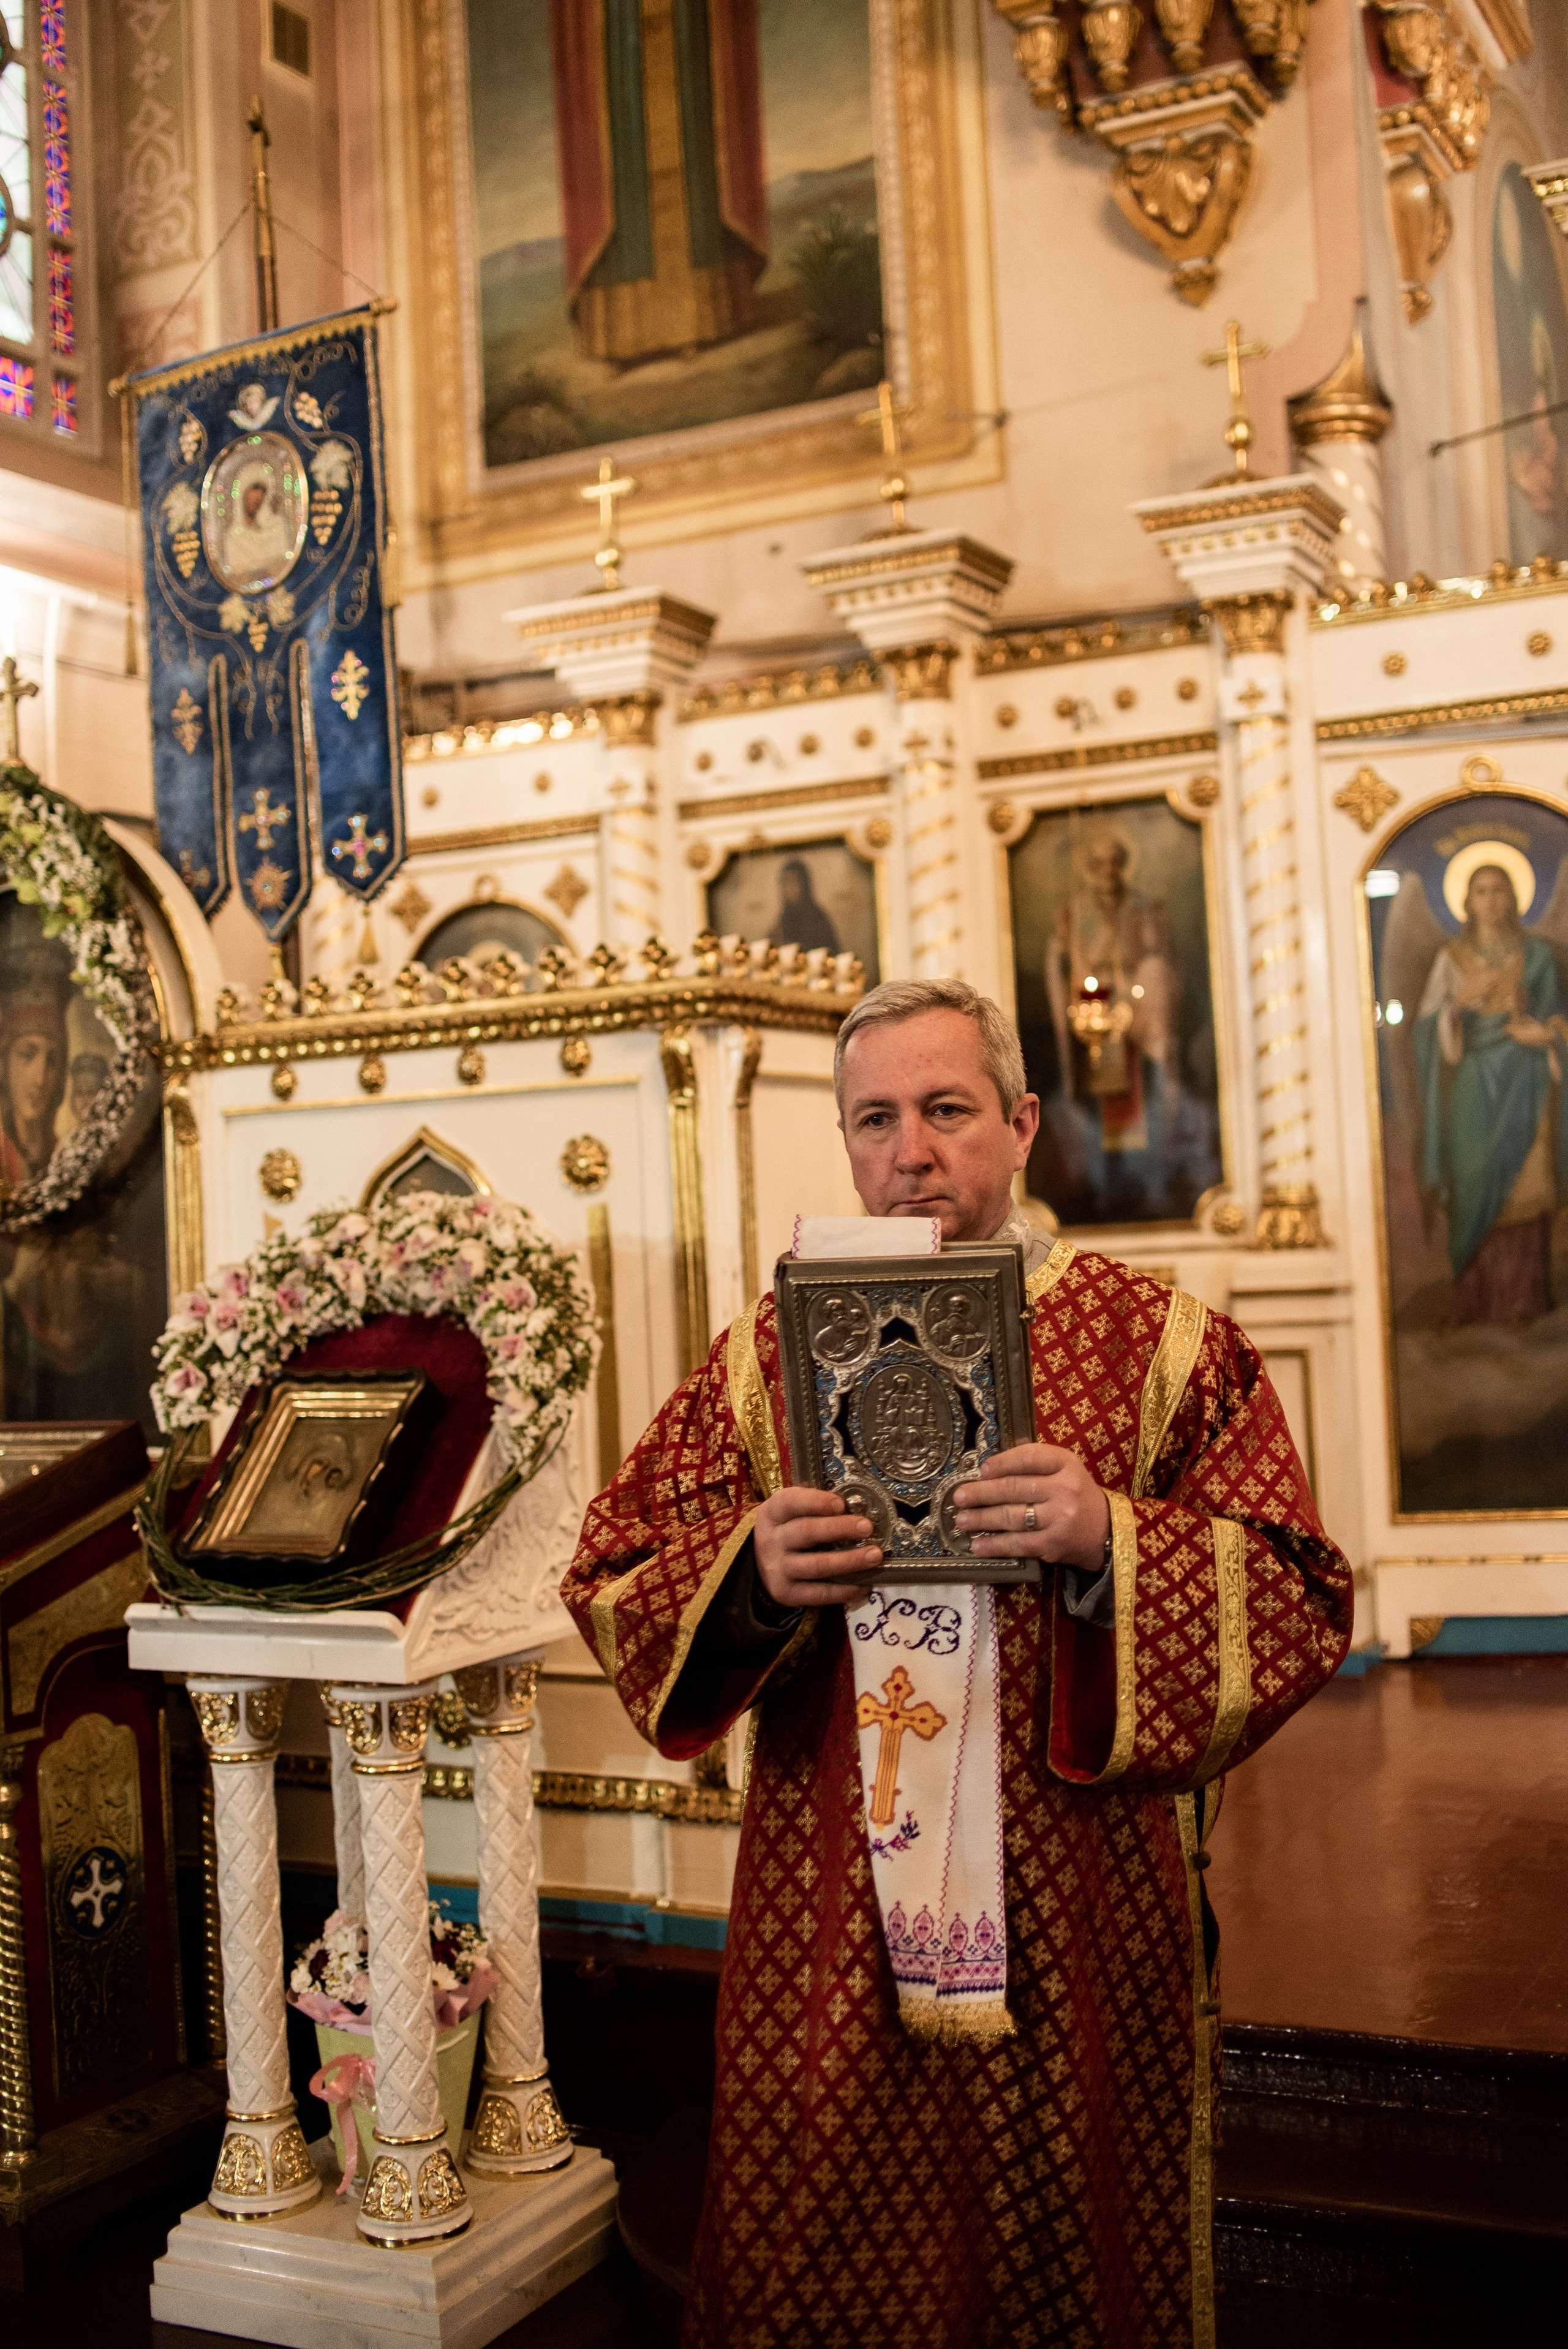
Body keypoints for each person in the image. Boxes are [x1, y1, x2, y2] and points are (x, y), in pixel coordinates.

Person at [562, 976, 1351, 2348]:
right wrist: (748, 1571)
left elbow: (1290, 1586)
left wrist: (1111, 1538)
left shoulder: (1158, 1343)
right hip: (834, 1902)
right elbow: (616, 1564)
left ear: (1022, 1121)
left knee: (1062, 2228)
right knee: (821, 2226)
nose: (907, 1152)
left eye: (943, 1110)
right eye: (874, 1119)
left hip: (1078, 1897)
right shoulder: (768, 1354)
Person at [1415, 860, 1568, 1325]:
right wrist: (1459, 1004)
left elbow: (1558, 1017)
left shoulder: (1538, 955)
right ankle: (1477, 1303)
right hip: (1474, 1086)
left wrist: (1548, 1036)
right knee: (1475, 1178)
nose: (1492, 900)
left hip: (1527, 1078)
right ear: (1467, 900)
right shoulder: (1451, 958)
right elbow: (1425, 1031)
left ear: (1515, 897)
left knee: (1527, 1186)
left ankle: (1525, 1303)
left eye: (1500, 890)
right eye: (1481, 891)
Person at [0, 990, 68, 1186]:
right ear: (4, 1064)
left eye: (52, 1061)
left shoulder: (65, 1154)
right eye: (27, 1055)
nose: (40, 1079)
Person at [769, 855, 840, 956]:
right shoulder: (783, 919)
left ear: (804, 884)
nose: (789, 889)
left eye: (793, 882)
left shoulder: (818, 919)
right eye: (785, 883)